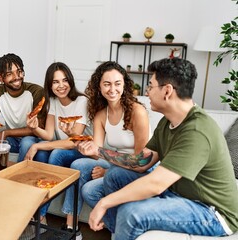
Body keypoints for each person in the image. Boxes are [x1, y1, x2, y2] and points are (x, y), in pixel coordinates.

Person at [81, 58, 238, 239]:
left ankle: (125, 227)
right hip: (177, 194)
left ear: (167, 91)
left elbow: (156, 184)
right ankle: (123, 232)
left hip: (212, 212)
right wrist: (99, 151)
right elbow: (141, 162)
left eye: (150, 86)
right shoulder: (167, 122)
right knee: (113, 176)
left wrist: (104, 203)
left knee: (131, 213)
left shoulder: (197, 130)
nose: (146, 92)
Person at [60, 61, 152, 239]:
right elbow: (96, 151)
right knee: (79, 164)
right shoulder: (101, 115)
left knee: (90, 190)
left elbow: (141, 160)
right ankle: (72, 230)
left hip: (140, 167)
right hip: (115, 160)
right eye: (107, 84)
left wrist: (108, 171)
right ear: (99, 87)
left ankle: (120, 226)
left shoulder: (137, 111)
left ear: (124, 85)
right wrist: (74, 136)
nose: (112, 89)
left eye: (117, 83)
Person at [22, 62, 89, 230]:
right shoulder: (52, 101)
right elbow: (49, 135)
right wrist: (34, 127)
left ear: (70, 81)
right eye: (55, 82)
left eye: (64, 80)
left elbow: (73, 141)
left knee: (55, 153)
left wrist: (38, 146)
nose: (61, 86)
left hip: (83, 151)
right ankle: (36, 211)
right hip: (62, 149)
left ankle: (40, 212)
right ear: (50, 85)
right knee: (43, 149)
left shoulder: (82, 101)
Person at [0, 53, 45, 162]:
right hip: (12, 139)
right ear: (0, 78)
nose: (17, 77)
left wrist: (6, 133)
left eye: (19, 71)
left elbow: (38, 128)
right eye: (10, 74)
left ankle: (18, 175)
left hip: (33, 137)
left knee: (26, 142)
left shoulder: (36, 91)